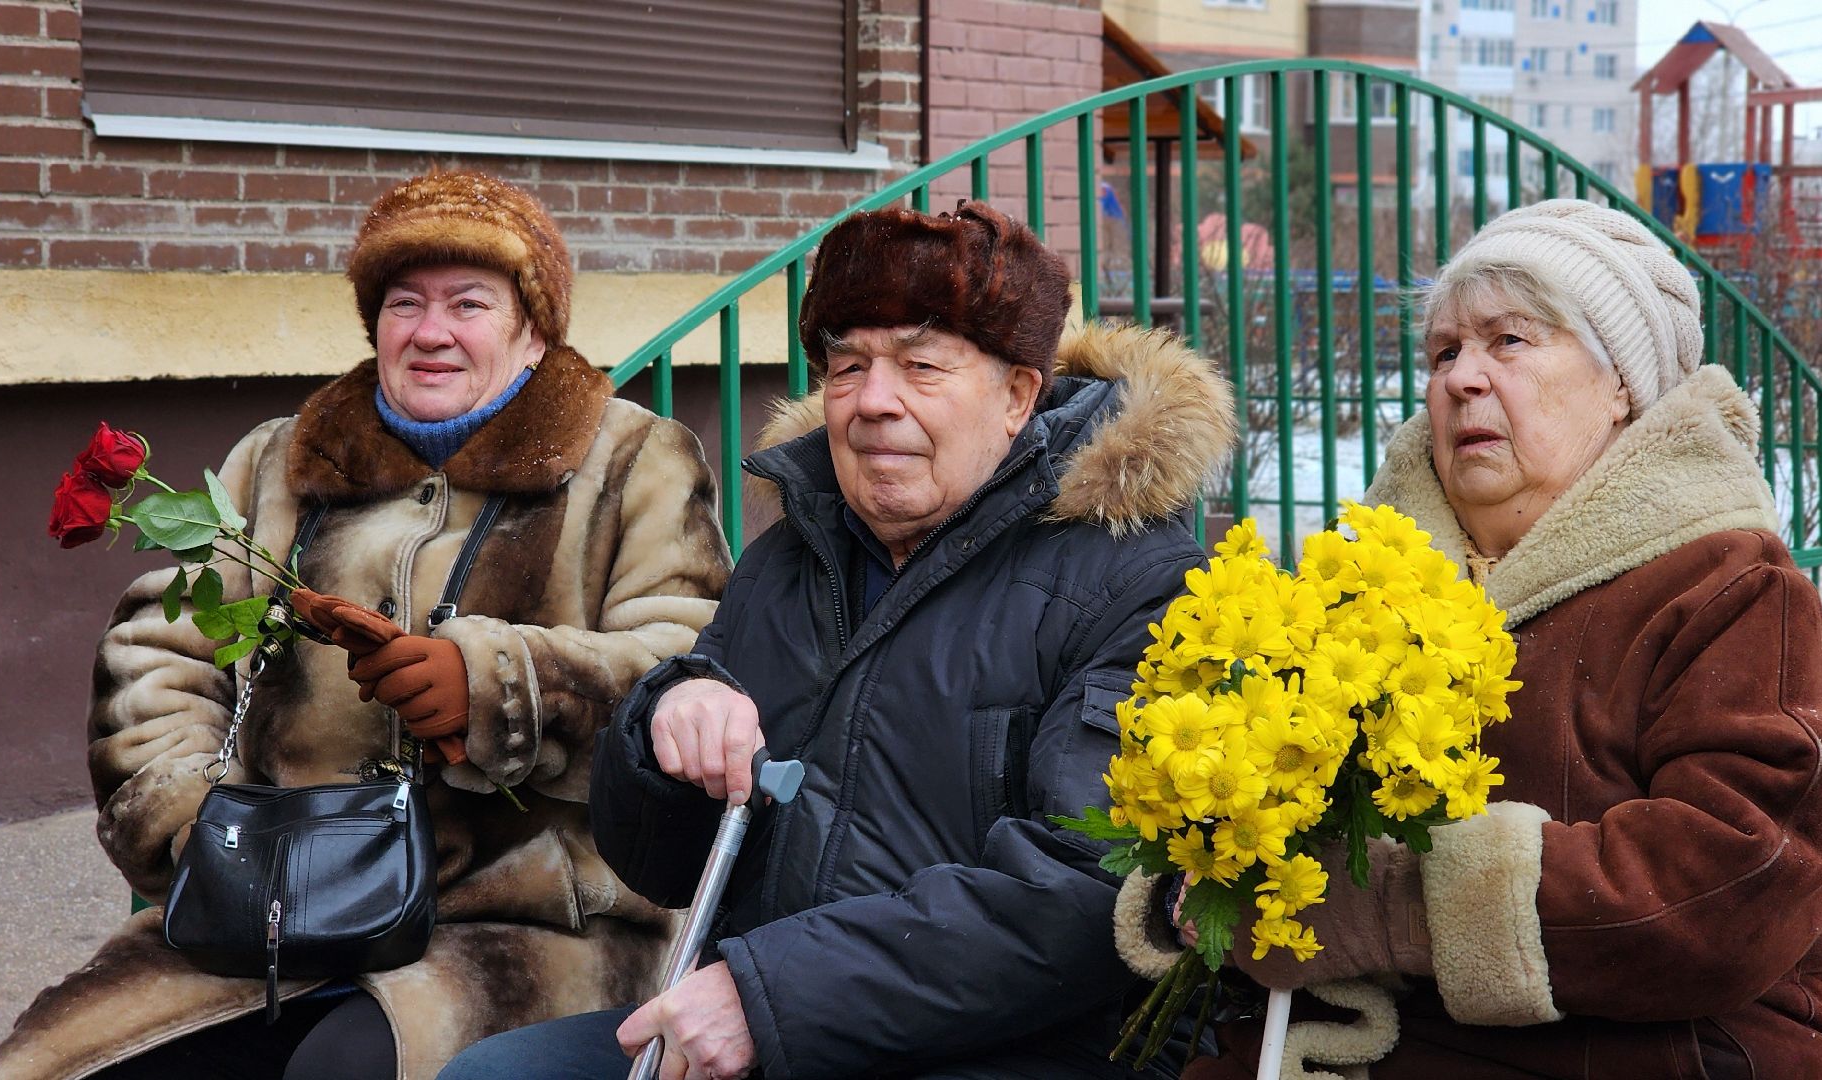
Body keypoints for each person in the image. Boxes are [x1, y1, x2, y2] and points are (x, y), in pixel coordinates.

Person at [438, 201, 1237, 1080]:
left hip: (1018, 1046)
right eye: (849, 365)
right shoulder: (796, 550)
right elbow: (663, 868)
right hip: (766, 1019)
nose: (873, 403)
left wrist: (772, 996)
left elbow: (1091, 888)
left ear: (1018, 396)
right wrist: (670, 723)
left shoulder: (1141, 578)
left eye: (922, 367)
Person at [0, 171, 731, 1080]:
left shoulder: (633, 461)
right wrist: (192, 826)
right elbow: (160, 657)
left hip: (525, 916)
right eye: (403, 303)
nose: (431, 331)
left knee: (346, 1069)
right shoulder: (279, 459)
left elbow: (683, 665)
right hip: (272, 901)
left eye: (469, 303)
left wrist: (499, 689)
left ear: (533, 327)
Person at [1121, 199, 1822, 1079]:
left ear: (1622, 384)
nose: (1461, 380)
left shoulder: (1732, 591)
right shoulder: (1366, 589)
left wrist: (1395, 911)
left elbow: (1737, 879)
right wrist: (1205, 873)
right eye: (1445, 352)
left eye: (1510, 341)